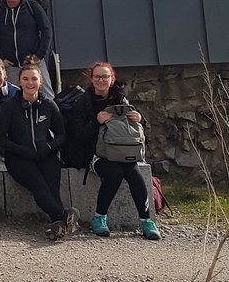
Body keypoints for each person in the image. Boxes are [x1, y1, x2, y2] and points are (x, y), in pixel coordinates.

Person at [65, 62, 160, 240]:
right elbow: (77, 137)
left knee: (134, 173)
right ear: (91, 79)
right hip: (93, 153)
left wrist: (140, 119)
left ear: (112, 79)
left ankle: (146, 220)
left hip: (121, 151)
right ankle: (100, 218)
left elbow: (135, 129)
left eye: (105, 77)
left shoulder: (120, 99)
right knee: (114, 172)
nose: (101, 80)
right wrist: (96, 122)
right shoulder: (82, 102)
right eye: (97, 77)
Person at [0, 63, 77, 240]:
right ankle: (64, 216)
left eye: (34, 79)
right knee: (39, 186)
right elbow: (0, 137)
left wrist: (49, 147)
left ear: (40, 82)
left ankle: (58, 225)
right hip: (18, 157)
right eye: (25, 79)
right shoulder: (9, 106)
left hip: (45, 154)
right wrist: (21, 150)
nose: (30, 83)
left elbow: (61, 135)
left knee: (52, 190)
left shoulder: (49, 105)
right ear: (19, 82)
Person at [0, 0, 53, 91]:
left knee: (47, 96)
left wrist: (39, 55)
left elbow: (47, 30)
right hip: (11, 67)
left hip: (34, 63)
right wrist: (0, 59)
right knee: (13, 99)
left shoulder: (32, 7)